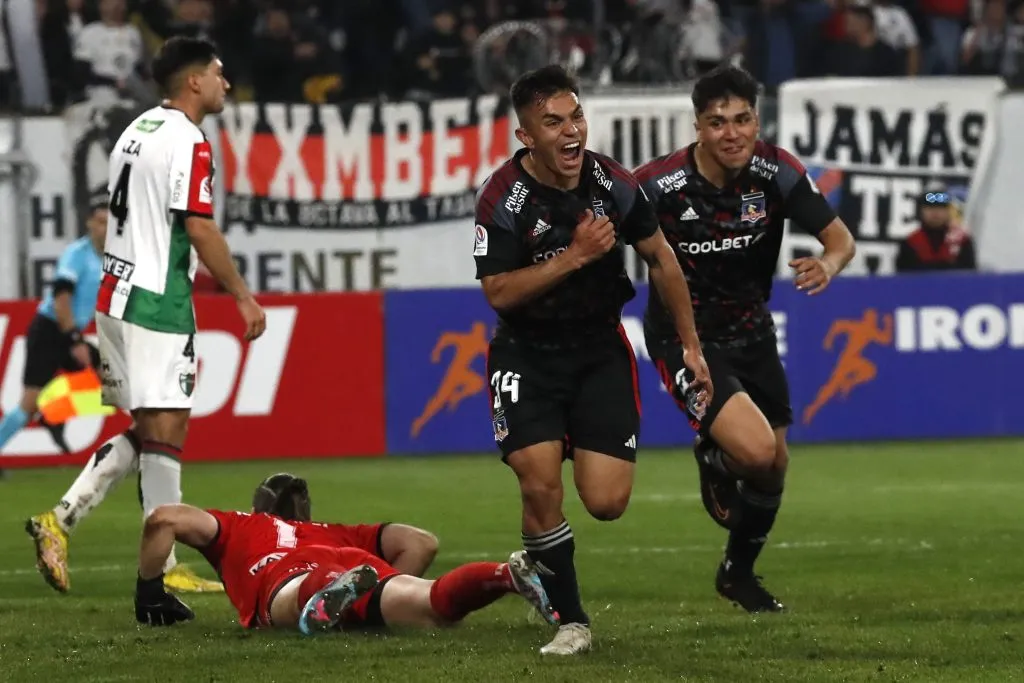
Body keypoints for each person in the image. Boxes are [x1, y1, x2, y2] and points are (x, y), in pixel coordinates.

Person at [472, 64, 712, 655]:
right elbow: (498, 291)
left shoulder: (612, 182)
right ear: (527, 136)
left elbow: (661, 257)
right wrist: (574, 257)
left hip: (599, 350)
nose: (571, 130)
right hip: (526, 354)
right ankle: (572, 621)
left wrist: (691, 344)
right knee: (540, 482)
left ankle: (536, 558)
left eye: (575, 115)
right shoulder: (503, 199)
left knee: (606, 503)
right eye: (552, 121)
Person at [29, 35, 266, 596]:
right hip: (156, 300)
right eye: (218, 73)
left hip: (115, 293)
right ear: (194, 82)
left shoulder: (137, 129)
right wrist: (241, 295)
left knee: (158, 429)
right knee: (166, 428)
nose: (225, 84)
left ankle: (149, 556)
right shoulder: (189, 140)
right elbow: (199, 226)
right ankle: (68, 524)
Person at [634, 64, 856, 613]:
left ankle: (738, 573)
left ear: (757, 120)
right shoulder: (656, 186)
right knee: (755, 451)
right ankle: (715, 453)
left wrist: (828, 265)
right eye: (717, 122)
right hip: (684, 338)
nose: (731, 132)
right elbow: (599, 236)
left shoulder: (776, 173)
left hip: (751, 328)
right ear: (698, 127)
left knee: (775, 463)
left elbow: (840, 240)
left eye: (742, 119)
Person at [133, 473, 557, 634]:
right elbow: (422, 542)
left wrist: (149, 592)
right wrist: (385, 585)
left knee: (285, 602)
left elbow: (163, 518)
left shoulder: (240, 525)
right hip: (355, 560)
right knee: (431, 605)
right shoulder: (334, 531)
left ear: (261, 505)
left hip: (288, 575)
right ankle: (505, 575)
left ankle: (331, 593)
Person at [1, 192, 106, 461]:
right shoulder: (77, 255)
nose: (106, 228)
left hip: (70, 331)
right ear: (89, 224)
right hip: (49, 330)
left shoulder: (112, 256)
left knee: (106, 379)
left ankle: (53, 415)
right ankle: (48, 415)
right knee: (28, 404)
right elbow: (61, 300)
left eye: (111, 222)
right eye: (100, 221)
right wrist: (75, 340)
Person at [895, 186, 977, 272]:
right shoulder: (910, 243)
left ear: (948, 211)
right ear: (920, 211)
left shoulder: (961, 242)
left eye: (940, 208)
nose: (935, 212)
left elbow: (969, 274)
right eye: (930, 208)